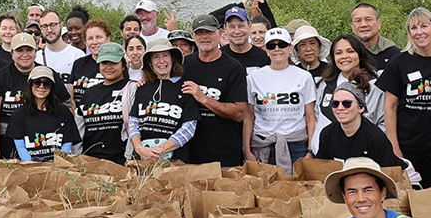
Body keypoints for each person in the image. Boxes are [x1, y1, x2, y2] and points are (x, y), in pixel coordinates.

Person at [378, 8, 431, 188]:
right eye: (413, 28)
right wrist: (394, 147)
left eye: (424, 26)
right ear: (409, 33)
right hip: (410, 146)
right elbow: (390, 107)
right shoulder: (399, 62)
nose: (419, 32)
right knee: (412, 198)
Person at [179, 14, 249, 168]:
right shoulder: (184, 64)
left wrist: (203, 98)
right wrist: (143, 82)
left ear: (220, 33)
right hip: (189, 155)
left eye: (209, 32)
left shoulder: (233, 68)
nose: (204, 37)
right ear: (193, 36)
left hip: (224, 156)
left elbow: (239, 113)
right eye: (199, 33)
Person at [246, 27, 317, 170]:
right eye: (272, 45)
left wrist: (310, 150)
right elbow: (249, 116)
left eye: (282, 44)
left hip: (296, 144)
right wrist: (246, 150)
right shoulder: (253, 78)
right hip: (264, 143)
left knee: (298, 188)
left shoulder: (304, 77)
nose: (277, 49)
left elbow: (310, 116)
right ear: (266, 49)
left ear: (290, 48)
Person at [314, 81, 412, 182]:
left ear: (361, 107)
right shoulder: (327, 133)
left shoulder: (375, 137)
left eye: (347, 103)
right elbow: (322, 170)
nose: (340, 108)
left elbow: (389, 175)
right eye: (335, 103)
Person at [125, 35, 199, 162]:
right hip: (143, 159)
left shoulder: (185, 87)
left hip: (175, 162)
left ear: (172, 58)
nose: (161, 61)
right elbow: (133, 121)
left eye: (165, 56)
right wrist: (139, 148)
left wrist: (160, 150)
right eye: (156, 57)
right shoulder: (142, 87)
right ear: (150, 62)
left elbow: (189, 127)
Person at [0, 34, 40, 161]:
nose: (25, 54)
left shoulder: (47, 74)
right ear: (12, 53)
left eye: (29, 50)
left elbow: (65, 107)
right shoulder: (0, 76)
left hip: (41, 138)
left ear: (36, 52)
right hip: (8, 136)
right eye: (19, 50)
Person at [71, 42, 130, 163]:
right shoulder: (89, 92)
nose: (109, 67)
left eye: (114, 62)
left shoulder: (132, 88)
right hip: (90, 162)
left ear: (123, 65)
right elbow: (79, 128)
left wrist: (129, 159)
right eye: (104, 62)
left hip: (121, 162)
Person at [6, 66, 80, 162]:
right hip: (30, 167)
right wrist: (32, 163)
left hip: (58, 167)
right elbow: (20, 147)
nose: (41, 87)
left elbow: (67, 142)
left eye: (47, 83)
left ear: (52, 86)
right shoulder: (18, 114)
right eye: (36, 82)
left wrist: (59, 161)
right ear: (30, 85)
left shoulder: (63, 112)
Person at [316, 33, 385, 131]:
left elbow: (383, 122)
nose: (344, 56)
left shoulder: (373, 85)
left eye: (350, 51)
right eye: (339, 53)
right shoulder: (325, 84)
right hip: (325, 145)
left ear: (360, 55)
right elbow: (317, 116)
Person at [349, 3, 399, 69]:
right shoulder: (346, 55)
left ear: (379, 23)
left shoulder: (394, 54)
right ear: (352, 26)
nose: (363, 25)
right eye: (358, 21)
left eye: (368, 19)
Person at [37, 10, 83, 80]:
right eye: (44, 26)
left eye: (53, 25)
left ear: (61, 26)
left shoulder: (77, 55)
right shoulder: (36, 57)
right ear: (40, 28)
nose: (49, 30)